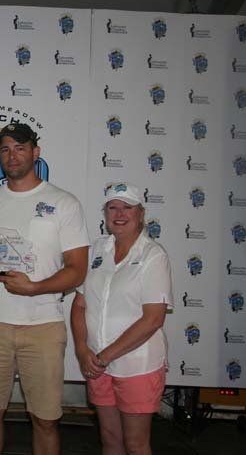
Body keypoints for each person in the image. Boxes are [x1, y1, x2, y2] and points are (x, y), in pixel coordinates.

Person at [0, 123, 89, 455]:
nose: (12, 155)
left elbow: (78, 271)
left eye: (20, 147)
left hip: (43, 326)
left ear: (35, 152)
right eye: (5, 149)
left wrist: (35, 288)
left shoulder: (64, 203)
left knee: (46, 419)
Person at [71, 182, 173, 455]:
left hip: (136, 366)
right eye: (112, 207)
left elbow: (153, 319)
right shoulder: (96, 250)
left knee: (136, 445)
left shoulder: (153, 255)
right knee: (110, 440)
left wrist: (105, 356)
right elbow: (79, 305)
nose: (119, 213)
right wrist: (82, 350)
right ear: (104, 214)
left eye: (127, 207)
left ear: (141, 213)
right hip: (96, 364)